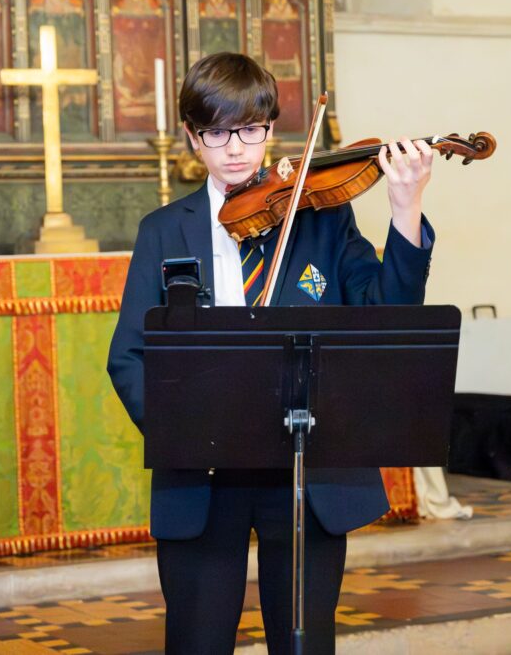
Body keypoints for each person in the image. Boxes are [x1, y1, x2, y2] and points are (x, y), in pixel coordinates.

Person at [107, 52, 435, 654]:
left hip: (305, 470)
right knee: (197, 641)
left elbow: (383, 315)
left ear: (271, 129)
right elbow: (128, 355)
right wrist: (183, 428)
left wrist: (404, 207)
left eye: (251, 130)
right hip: (203, 472)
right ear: (191, 137)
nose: (236, 149)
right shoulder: (163, 230)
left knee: (303, 644)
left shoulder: (322, 216)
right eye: (216, 133)